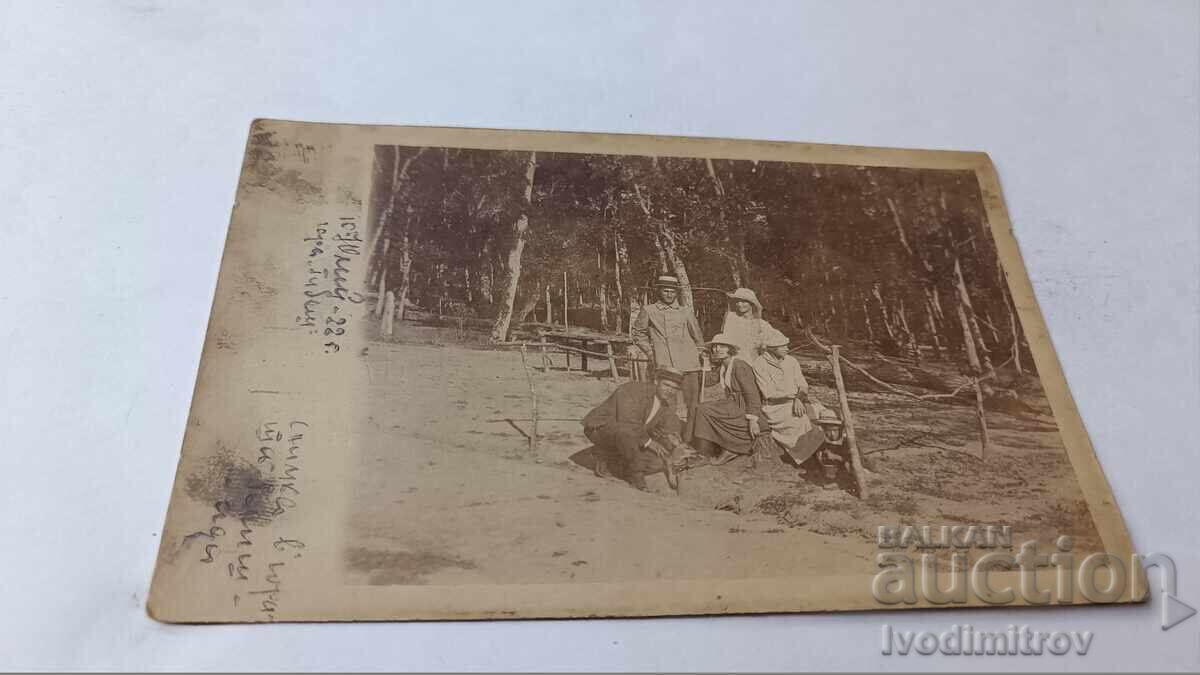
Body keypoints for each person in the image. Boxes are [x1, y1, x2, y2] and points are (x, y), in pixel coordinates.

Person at [582, 367, 694, 492]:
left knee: (657, 462)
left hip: (631, 433)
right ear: (656, 381)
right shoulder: (632, 390)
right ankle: (635, 476)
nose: (670, 390)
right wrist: (650, 442)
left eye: (674, 388)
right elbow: (628, 423)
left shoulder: (667, 400)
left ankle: (610, 457)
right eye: (666, 385)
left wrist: (676, 444)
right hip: (600, 428)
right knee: (626, 435)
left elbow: (670, 425)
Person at [631, 274, 706, 439]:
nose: (669, 294)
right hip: (665, 364)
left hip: (689, 363)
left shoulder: (685, 311)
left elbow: (698, 336)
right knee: (668, 402)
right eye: (666, 291)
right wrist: (651, 353)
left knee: (692, 403)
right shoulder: (649, 310)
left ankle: (691, 437)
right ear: (659, 291)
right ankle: (671, 438)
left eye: (672, 291)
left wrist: (700, 352)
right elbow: (638, 334)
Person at [752, 328, 827, 465]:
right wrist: (794, 399)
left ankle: (829, 453)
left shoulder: (791, 361)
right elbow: (769, 393)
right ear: (772, 348)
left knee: (826, 415)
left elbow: (803, 385)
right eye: (783, 346)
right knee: (801, 422)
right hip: (776, 407)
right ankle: (811, 460)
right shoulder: (760, 363)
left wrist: (798, 398)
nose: (787, 348)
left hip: (798, 400)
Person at [690, 333, 767, 466]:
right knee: (702, 407)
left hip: (743, 406)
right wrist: (706, 363)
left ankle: (709, 452)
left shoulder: (739, 365)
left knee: (703, 409)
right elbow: (708, 381)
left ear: (730, 349)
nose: (716, 349)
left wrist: (753, 419)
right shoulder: (724, 365)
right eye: (714, 347)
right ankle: (710, 448)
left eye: (722, 346)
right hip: (732, 403)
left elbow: (752, 394)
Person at [720, 288, 775, 363]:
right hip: (734, 360)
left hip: (754, 360)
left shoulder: (760, 323)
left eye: (743, 302)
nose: (739, 304)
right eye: (737, 301)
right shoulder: (731, 318)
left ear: (751, 303)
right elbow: (724, 339)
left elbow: (772, 342)